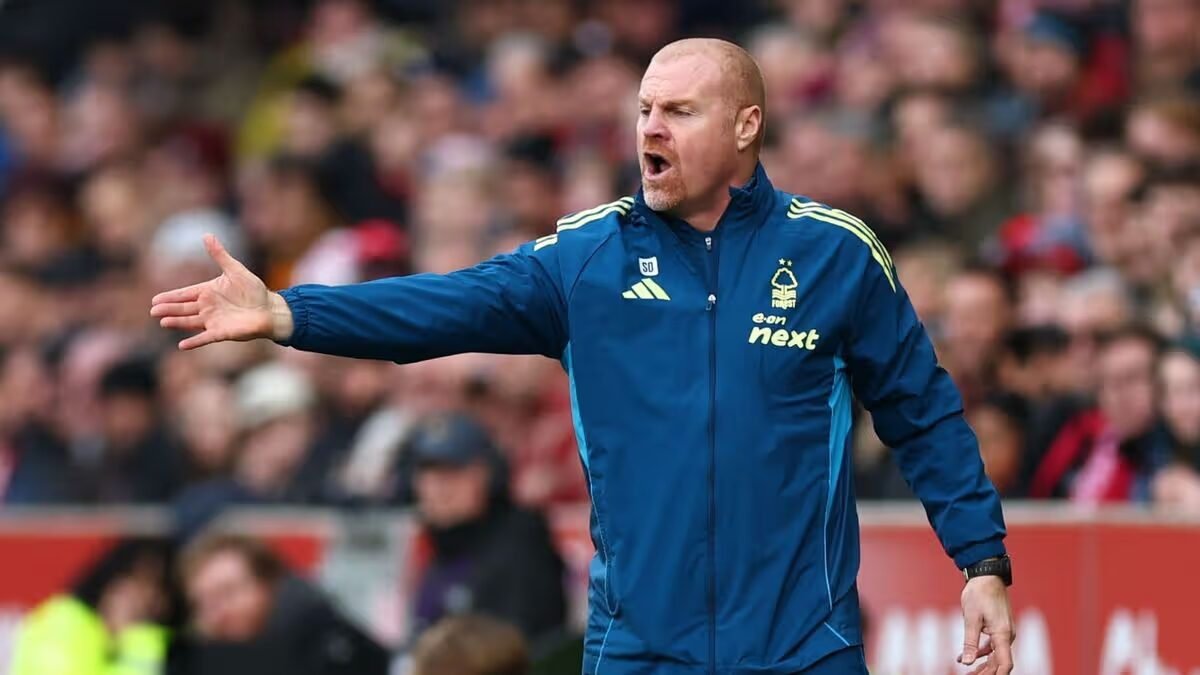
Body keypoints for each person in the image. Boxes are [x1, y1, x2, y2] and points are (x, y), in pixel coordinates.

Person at [151, 38, 1014, 674]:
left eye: (679, 110)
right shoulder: (589, 258)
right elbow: (446, 306)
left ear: (747, 125)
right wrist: (289, 310)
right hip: (638, 648)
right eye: (644, 108)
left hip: (801, 646)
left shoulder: (837, 255)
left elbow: (924, 412)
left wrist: (979, 561)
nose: (651, 128)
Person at [405, 412, 567, 644]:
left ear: (488, 475)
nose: (436, 489)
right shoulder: (441, 544)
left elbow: (519, 643)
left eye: (451, 473)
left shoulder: (520, 542)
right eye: (427, 474)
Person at [167, 532, 389, 675]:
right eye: (201, 604)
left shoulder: (323, 642)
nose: (215, 615)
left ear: (270, 583)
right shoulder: (208, 653)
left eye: (228, 593)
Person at [10, 537, 175, 675]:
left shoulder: (160, 639)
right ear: (112, 580)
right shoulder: (66, 623)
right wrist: (136, 643)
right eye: (138, 581)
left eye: (158, 586)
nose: (148, 596)